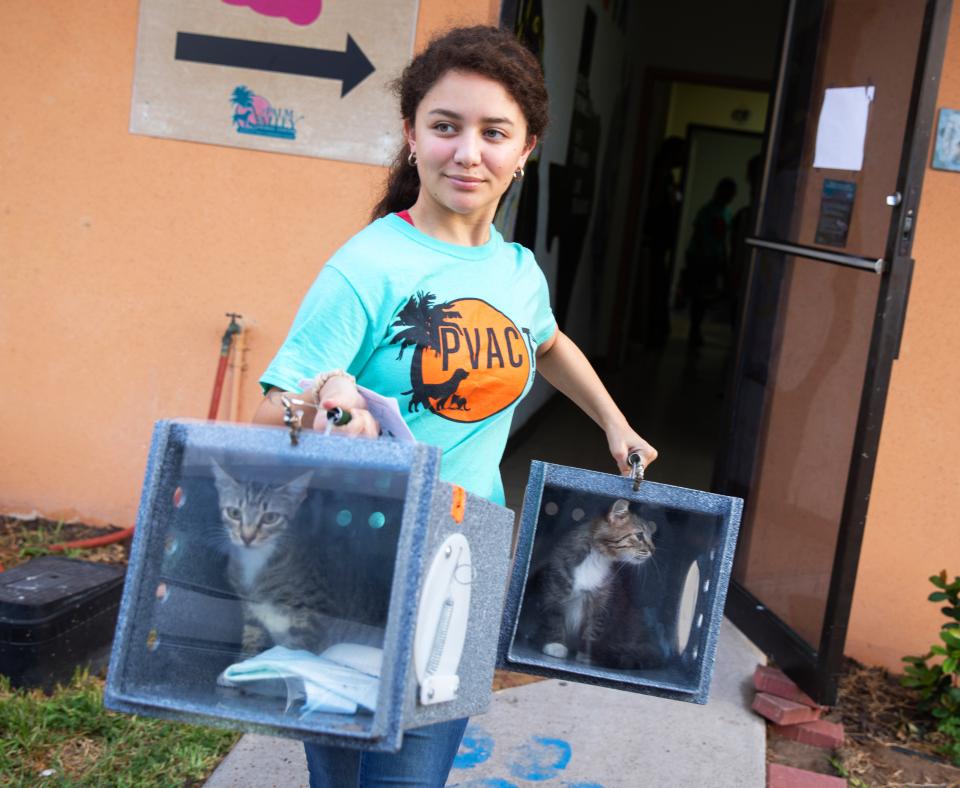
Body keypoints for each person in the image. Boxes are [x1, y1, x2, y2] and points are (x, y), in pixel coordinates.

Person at [251, 25, 658, 788]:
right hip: (351, 559)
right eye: (445, 127)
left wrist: (613, 419)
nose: (468, 152)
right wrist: (326, 407)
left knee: (416, 776)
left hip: (468, 553)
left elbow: (544, 342)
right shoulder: (370, 262)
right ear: (412, 137)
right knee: (346, 780)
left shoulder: (516, 269)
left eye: (493, 132)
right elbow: (280, 398)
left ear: (526, 148)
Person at [683, 177, 737, 350]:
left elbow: (723, 240)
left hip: (715, 259)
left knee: (708, 296)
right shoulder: (707, 211)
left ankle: (697, 329)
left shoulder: (727, 213)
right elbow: (699, 235)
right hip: (701, 258)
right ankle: (694, 329)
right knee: (699, 296)